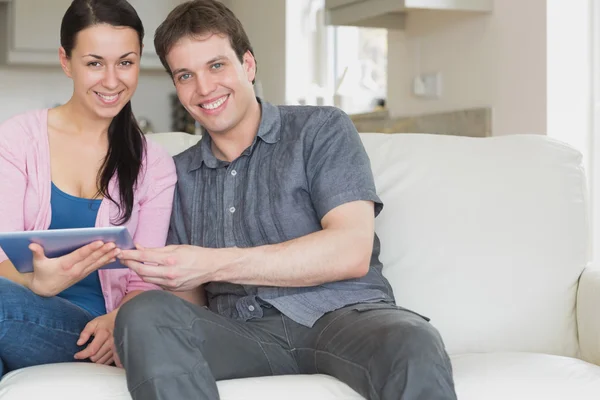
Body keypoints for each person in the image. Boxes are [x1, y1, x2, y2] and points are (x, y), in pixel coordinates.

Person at [114, 1, 457, 399]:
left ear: (249, 65)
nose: (204, 88)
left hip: (343, 318)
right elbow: (188, 304)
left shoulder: (321, 130)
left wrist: (215, 262)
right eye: (186, 75)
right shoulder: (176, 174)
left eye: (217, 65)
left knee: (412, 341)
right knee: (143, 315)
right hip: (242, 334)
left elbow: (351, 249)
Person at [0, 0, 177, 378]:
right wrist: (35, 281)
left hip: (93, 332)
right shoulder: (17, 139)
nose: (112, 80)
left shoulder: (154, 165)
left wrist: (119, 322)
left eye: (125, 63)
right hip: (16, 315)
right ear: (67, 61)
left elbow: (144, 279)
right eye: (95, 63)